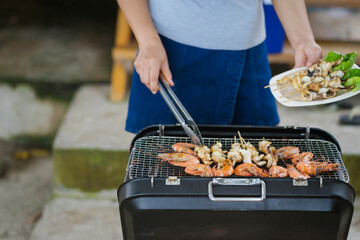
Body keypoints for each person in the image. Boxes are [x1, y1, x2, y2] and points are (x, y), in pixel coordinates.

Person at [117, 0, 323, 134]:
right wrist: (148, 41)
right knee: (163, 176)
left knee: (263, 169)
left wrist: (302, 39)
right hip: (173, 51)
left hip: (250, 54)